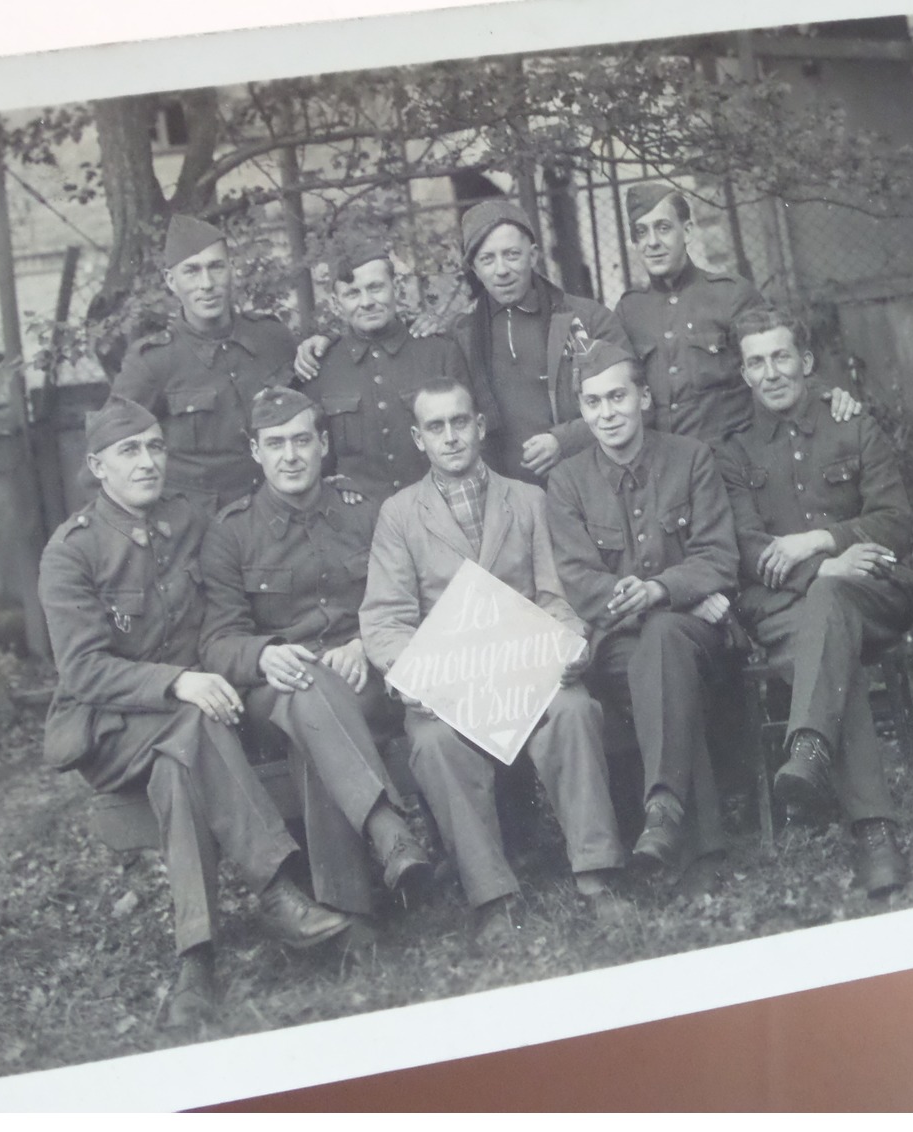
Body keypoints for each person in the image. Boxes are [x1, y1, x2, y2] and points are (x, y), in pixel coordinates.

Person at [37, 395, 352, 1031]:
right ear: (98, 467)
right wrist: (179, 681)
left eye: (156, 447)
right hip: (112, 728)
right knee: (192, 725)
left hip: (190, 728)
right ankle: (274, 890)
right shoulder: (71, 551)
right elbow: (84, 671)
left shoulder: (188, 521)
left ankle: (197, 962)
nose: (148, 461)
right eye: (130, 451)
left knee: (180, 764)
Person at [359, 376, 628, 945]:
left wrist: (568, 640)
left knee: (574, 711)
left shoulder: (528, 499)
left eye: (461, 422)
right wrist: (416, 678)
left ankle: (597, 874)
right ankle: (492, 898)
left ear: (480, 426)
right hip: (451, 683)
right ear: (418, 438)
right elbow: (385, 618)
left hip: (524, 670)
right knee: (432, 744)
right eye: (436, 427)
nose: (451, 437)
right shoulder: (400, 515)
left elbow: (555, 593)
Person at [200, 386, 432, 933]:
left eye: (302, 440)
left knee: (318, 723)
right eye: (275, 443)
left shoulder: (367, 512)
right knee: (307, 690)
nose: (290, 455)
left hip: (362, 681)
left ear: (323, 444)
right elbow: (216, 641)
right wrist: (263, 654)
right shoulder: (230, 533)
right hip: (276, 694)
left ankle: (351, 918)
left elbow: (410, 600)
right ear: (256, 452)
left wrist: (366, 646)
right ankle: (389, 832)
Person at [716, 307, 913, 898]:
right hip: (785, 606)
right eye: (756, 362)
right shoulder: (734, 454)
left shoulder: (853, 426)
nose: (771, 372)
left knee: (832, 606)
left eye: (781, 356)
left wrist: (823, 541)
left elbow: (896, 522)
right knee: (828, 632)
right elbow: (745, 545)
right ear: (743, 373)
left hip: (875, 590)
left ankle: (810, 745)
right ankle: (875, 834)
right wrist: (822, 571)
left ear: (806, 362)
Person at [545, 338, 740, 877]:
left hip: (696, 637)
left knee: (663, 649)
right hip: (619, 640)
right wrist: (663, 602)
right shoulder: (565, 483)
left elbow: (719, 556)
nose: (606, 414)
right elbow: (581, 580)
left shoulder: (691, 459)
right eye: (592, 403)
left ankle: (664, 817)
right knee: (657, 653)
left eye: (617, 397)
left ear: (644, 398)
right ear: (581, 411)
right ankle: (689, 834)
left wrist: (659, 591)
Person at [615, 183, 862, 445]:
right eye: (642, 233)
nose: (652, 242)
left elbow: (776, 356)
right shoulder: (629, 311)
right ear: (635, 242)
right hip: (664, 465)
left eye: (663, 228)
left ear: (686, 231)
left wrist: (826, 395)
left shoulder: (730, 295)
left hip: (729, 460)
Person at [289, 238, 498, 505]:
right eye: (353, 293)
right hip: (361, 522)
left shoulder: (439, 352)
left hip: (438, 509)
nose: (366, 302)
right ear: (335, 302)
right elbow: (312, 457)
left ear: (396, 287)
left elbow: (477, 438)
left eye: (375, 288)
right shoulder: (321, 367)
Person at [112, 214, 297, 512]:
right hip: (199, 526)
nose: (207, 283)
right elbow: (111, 449)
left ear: (232, 270)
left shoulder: (272, 339)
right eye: (192, 271)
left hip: (279, 513)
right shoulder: (153, 362)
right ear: (171, 281)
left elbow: (313, 417)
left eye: (216, 267)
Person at [449, 198, 631, 484]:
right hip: (506, 499)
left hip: (589, 483)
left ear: (533, 256)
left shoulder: (587, 318)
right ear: (474, 267)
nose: (501, 270)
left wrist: (565, 441)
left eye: (511, 254)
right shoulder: (461, 335)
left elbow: (633, 402)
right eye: (487, 259)